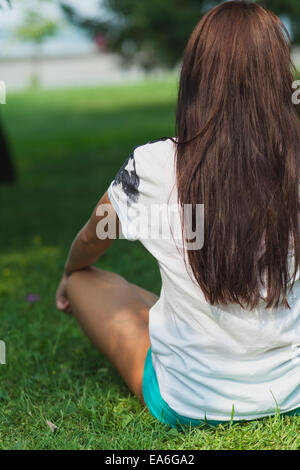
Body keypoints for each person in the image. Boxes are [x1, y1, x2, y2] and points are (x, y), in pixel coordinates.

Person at [56, 0, 300, 427]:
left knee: (85, 280)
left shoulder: (152, 165)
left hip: (189, 404)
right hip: (293, 392)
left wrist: (69, 270)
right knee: (152, 302)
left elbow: (91, 241)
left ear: (195, 76)